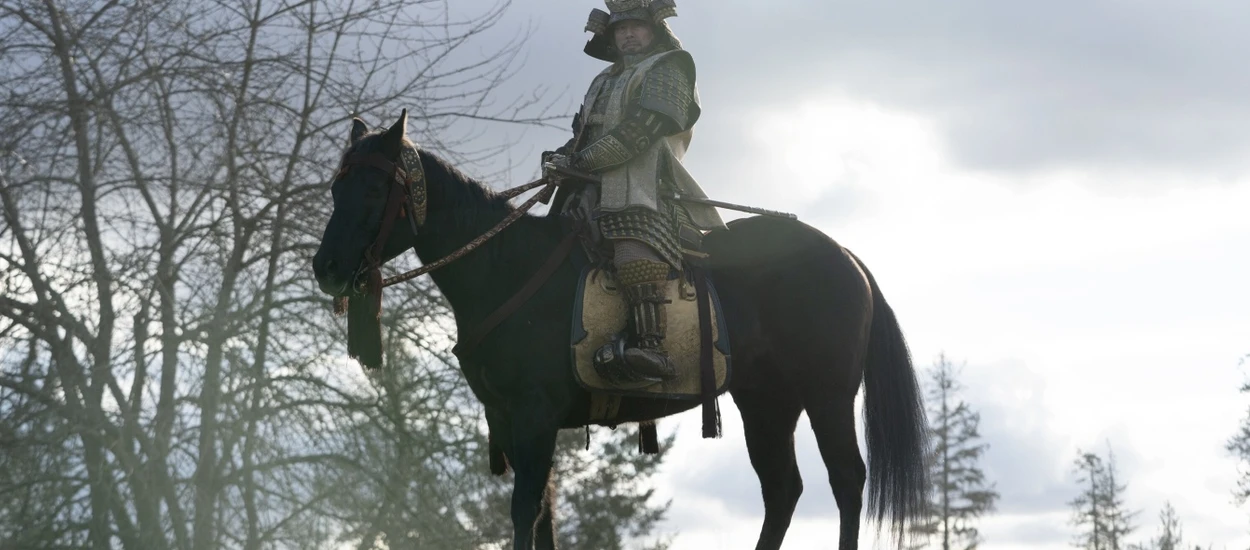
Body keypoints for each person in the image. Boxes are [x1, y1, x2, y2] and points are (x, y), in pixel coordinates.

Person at [544, 0, 725, 387]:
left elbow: (639, 132)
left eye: (636, 27)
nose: (627, 34)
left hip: (649, 189)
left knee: (632, 244)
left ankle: (652, 348)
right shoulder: (603, 79)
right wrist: (560, 159)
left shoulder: (670, 67)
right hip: (590, 188)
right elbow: (583, 137)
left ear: (654, 30)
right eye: (619, 29)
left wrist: (582, 163)